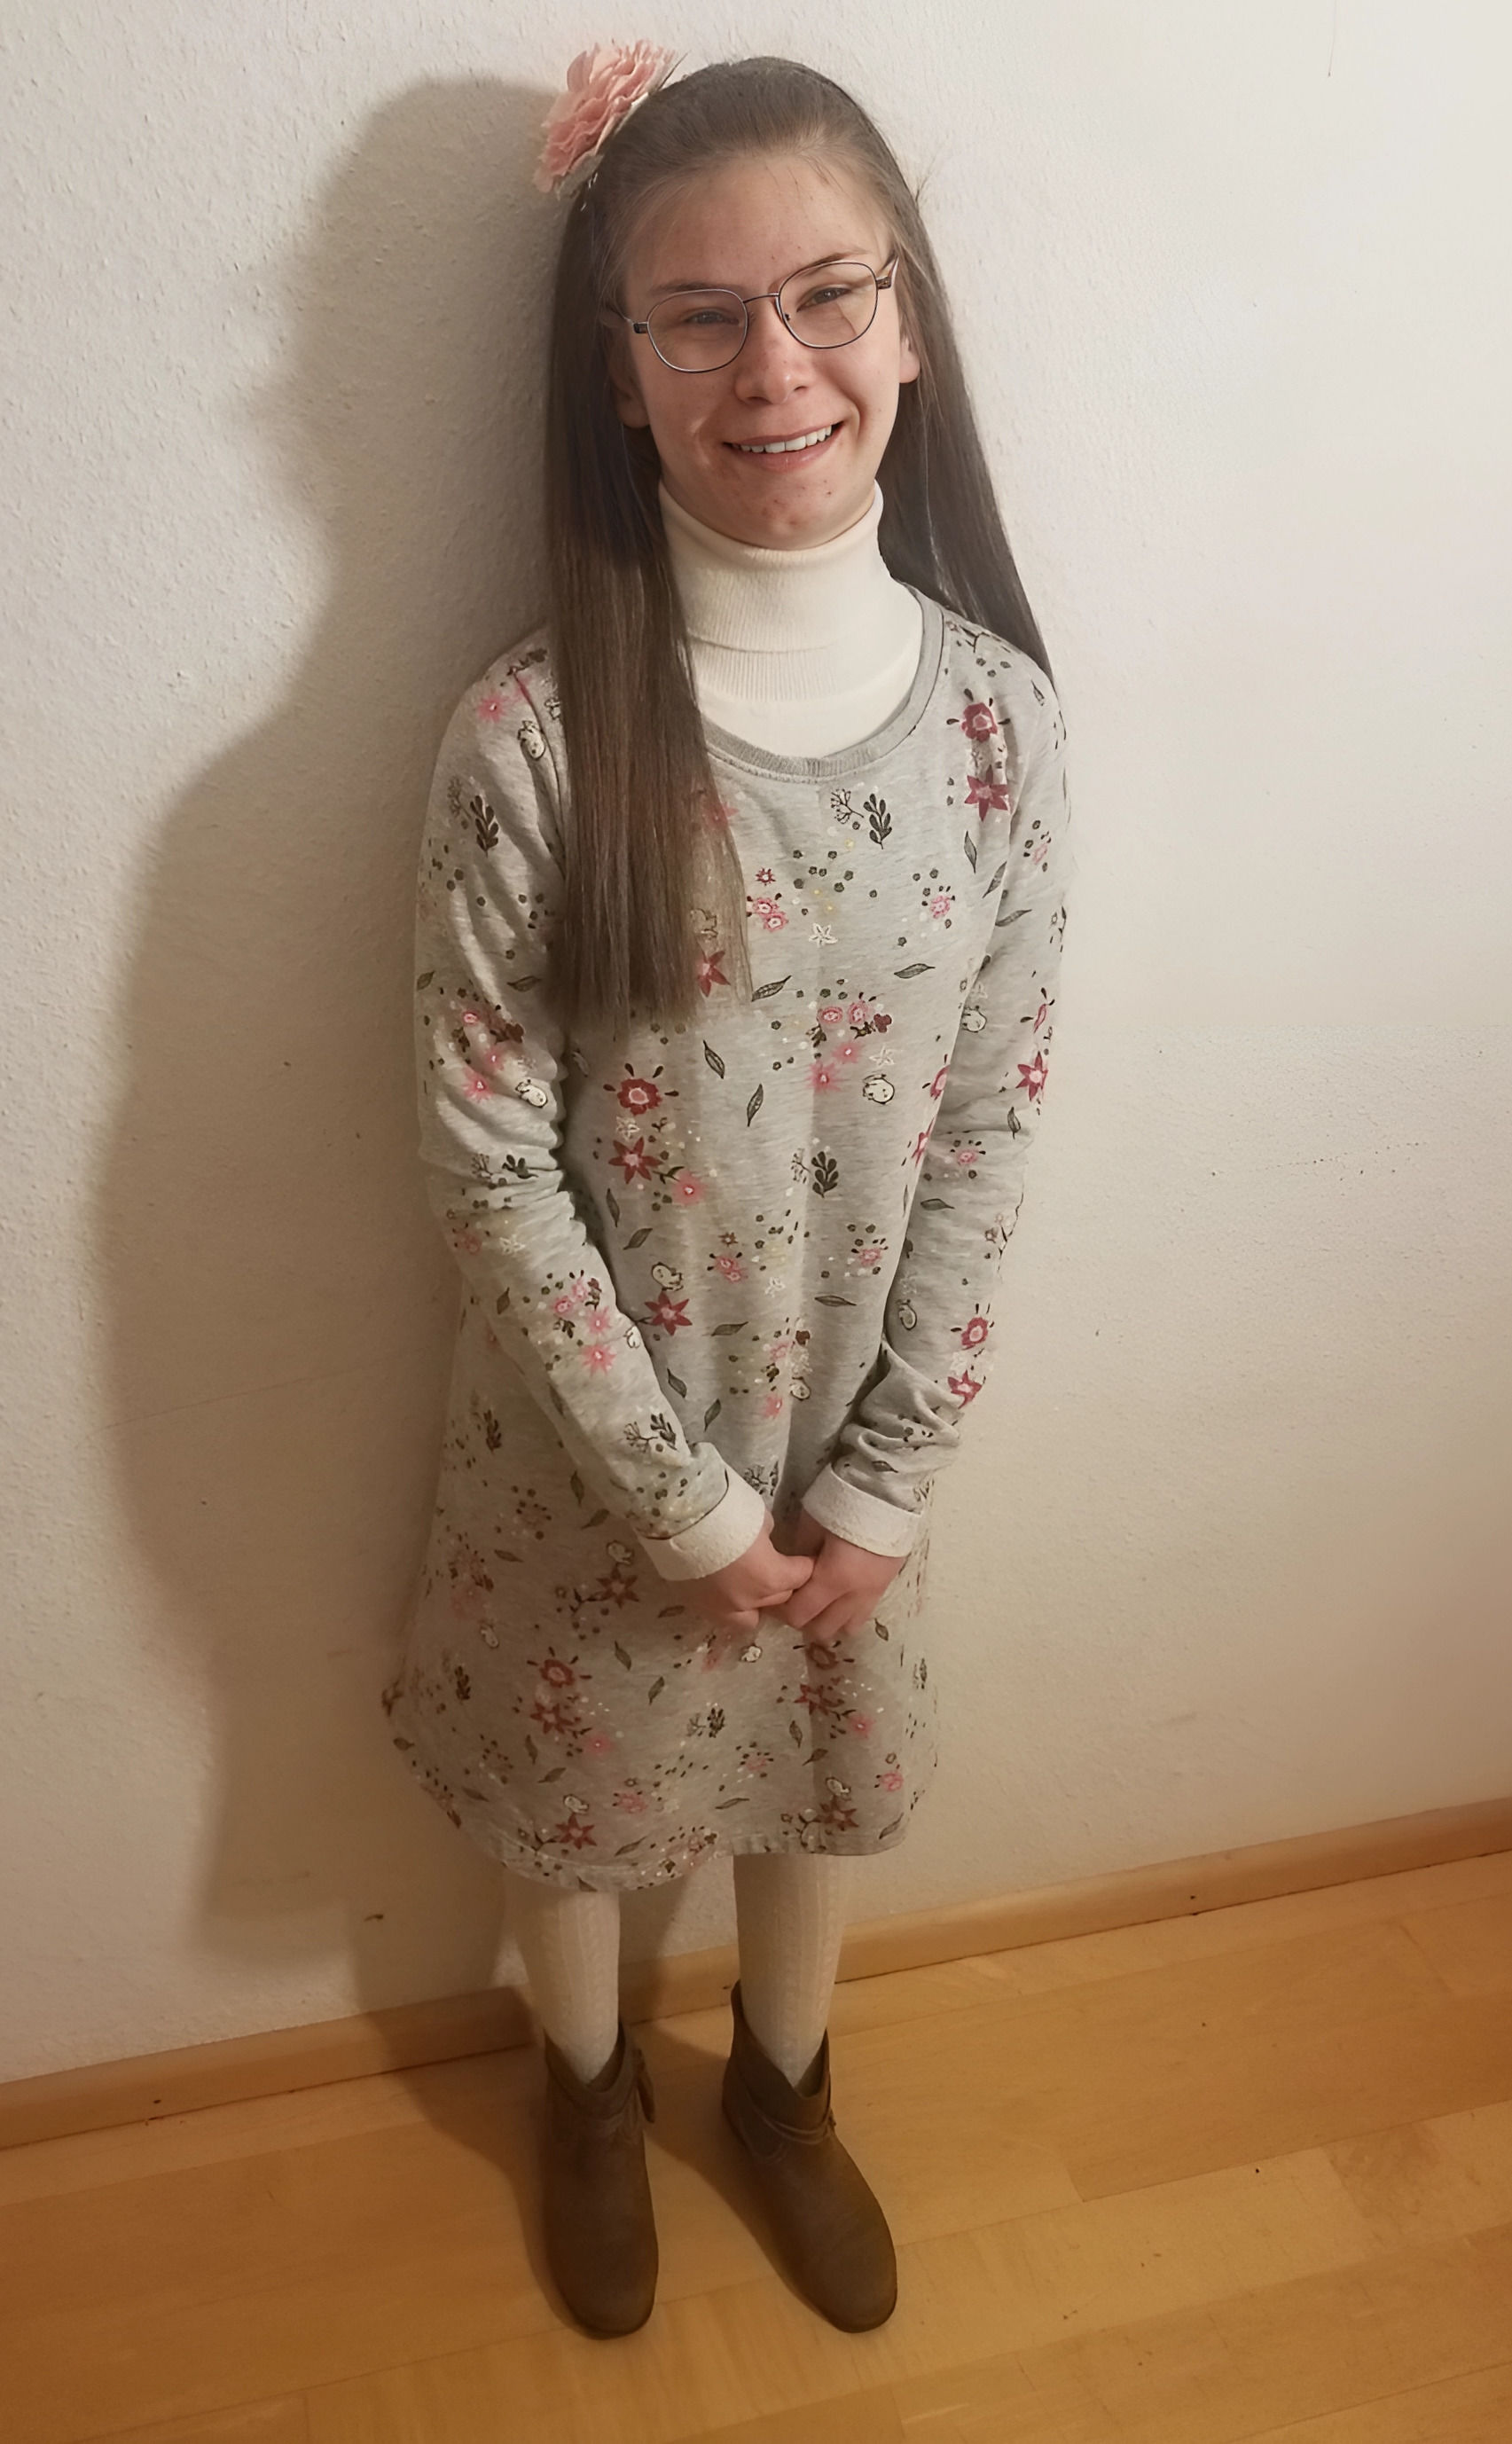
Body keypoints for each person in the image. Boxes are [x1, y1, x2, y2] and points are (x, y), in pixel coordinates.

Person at [380, 45, 1071, 2340]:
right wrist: (677, 1501)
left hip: (855, 1426)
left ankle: (787, 2087)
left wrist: (891, 1470)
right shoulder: (531, 743)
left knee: (812, 1771)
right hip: (596, 1452)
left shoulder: (999, 726)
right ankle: (586, 2091)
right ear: (619, 372)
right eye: (696, 315)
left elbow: (992, 1110)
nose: (771, 366)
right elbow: (486, 1150)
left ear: (906, 322)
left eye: (825, 295)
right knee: (578, 1793)